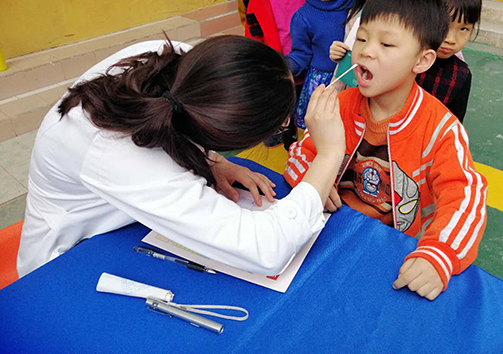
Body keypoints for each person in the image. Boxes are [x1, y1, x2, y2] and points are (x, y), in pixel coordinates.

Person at [17, 36, 346, 278]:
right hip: (72, 256)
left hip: (124, 212)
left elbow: (187, 115)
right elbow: (267, 248)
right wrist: (329, 154)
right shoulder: (120, 156)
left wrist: (213, 161)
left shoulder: (182, 61)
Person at [285, 0, 488, 300]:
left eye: (387, 44)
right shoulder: (340, 105)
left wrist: (439, 254)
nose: (366, 51)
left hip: (392, 250)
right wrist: (313, 185)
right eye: (362, 38)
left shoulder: (441, 129)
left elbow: (466, 195)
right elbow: (300, 154)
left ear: (422, 61)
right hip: (328, 231)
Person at [244, 0, 309, 148]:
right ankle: (280, 127)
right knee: (282, 103)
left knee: (307, 108)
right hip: (278, 65)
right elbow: (254, 35)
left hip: (310, 65)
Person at [286, 0, 356, 129]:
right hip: (323, 85)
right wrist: (282, 66)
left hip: (354, 80)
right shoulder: (303, 17)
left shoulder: (358, 1)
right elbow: (301, 55)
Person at [416, 0, 481, 122]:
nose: (451, 39)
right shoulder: (401, 57)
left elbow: (454, 124)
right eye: (444, 25)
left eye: (463, 29)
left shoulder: (460, 75)